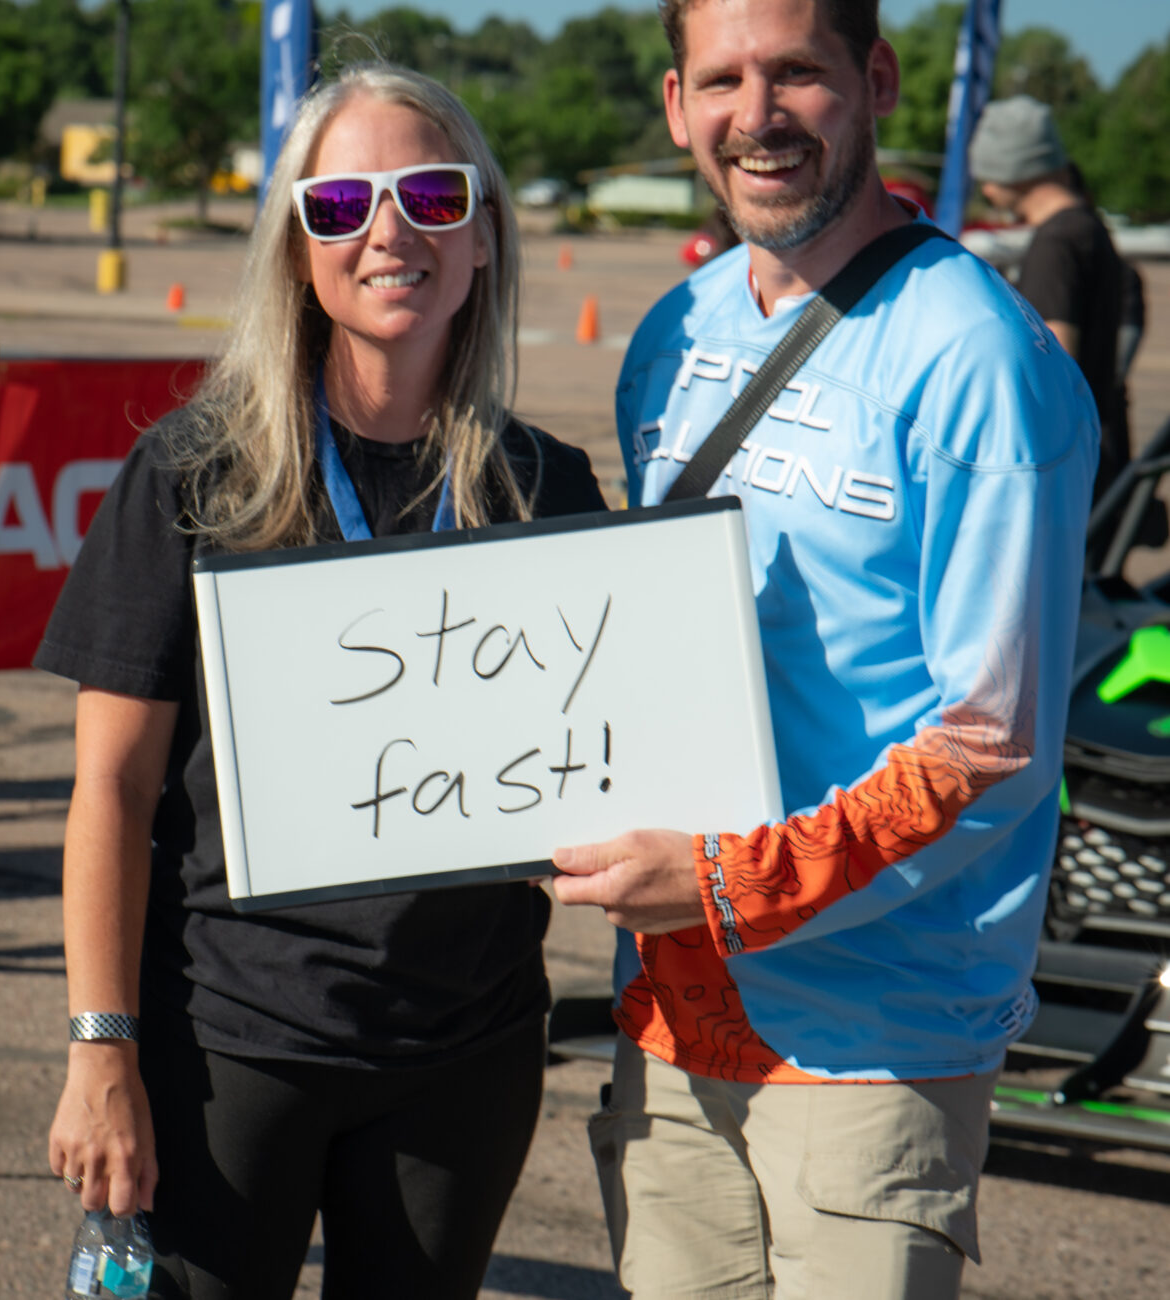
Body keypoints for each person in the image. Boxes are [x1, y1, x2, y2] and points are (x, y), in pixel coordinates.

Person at [549, 2, 1097, 1298]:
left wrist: (736, 884)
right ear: (680, 106)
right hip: (674, 1026)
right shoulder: (673, 335)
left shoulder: (974, 356)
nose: (760, 114)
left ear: (878, 80)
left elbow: (989, 748)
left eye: (798, 71)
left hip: (875, 1043)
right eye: (725, 79)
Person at [37, 62, 605, 1299]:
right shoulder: (195, 477)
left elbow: (594, 770)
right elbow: (109, 797)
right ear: (298, 249)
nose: (389, 230)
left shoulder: (546, 490)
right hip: (228, 1051)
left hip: (467, 1056)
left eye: (430, 196)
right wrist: (101, 1053)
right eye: (342, 203)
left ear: (487, 236)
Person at [969, 96, 1128, 501]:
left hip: (1067, 472)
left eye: (986, 174)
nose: (984, 186)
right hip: (1100, 449)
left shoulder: (1056, 243)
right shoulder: (1089, 227)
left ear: (1014, 171)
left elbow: (1053, 369)